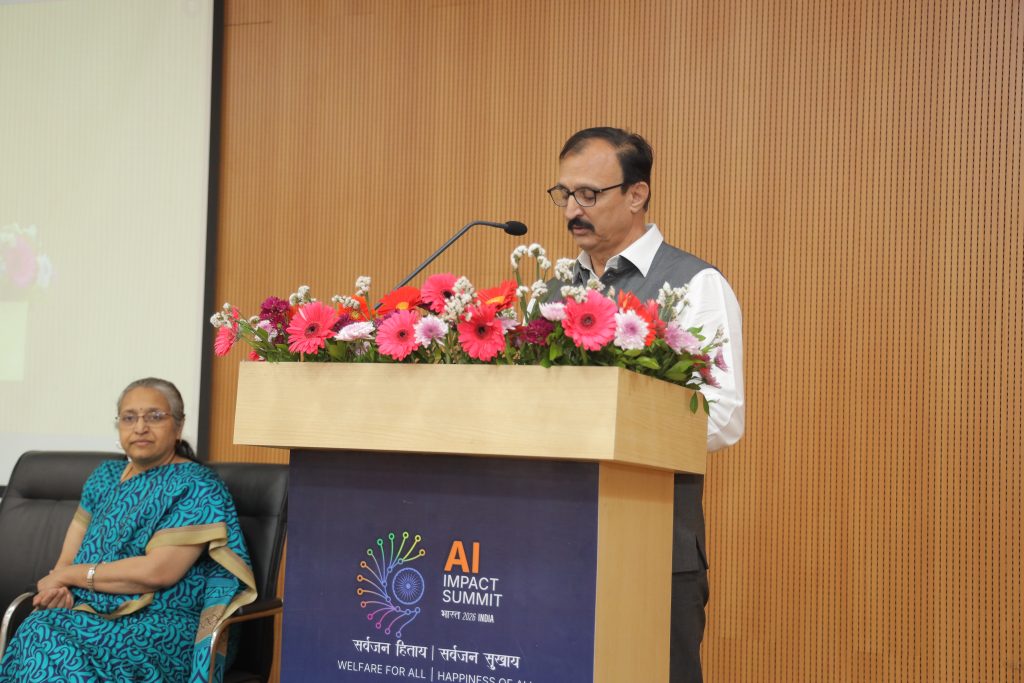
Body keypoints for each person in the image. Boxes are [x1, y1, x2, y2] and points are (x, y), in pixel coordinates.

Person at [547, 127, 745, 683]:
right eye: (564, 194)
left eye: (589, 194)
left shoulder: (695, 285)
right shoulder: (552, 294)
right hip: (554, 542)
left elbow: (722, 416)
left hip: (653, 549)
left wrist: (615, 423)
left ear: (637, 194)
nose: (573, 210)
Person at [0, 378, 256, 683]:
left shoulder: (196, 485)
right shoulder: (105, 477)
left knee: (45, 634)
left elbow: (158, 572)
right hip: (91, 612)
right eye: (129, 417)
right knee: (41, 629)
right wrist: (59, 590)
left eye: (155, 416)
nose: (140, 427)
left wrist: (68, 577)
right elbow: (67, 559)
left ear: (178, 426)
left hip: (164, 624)